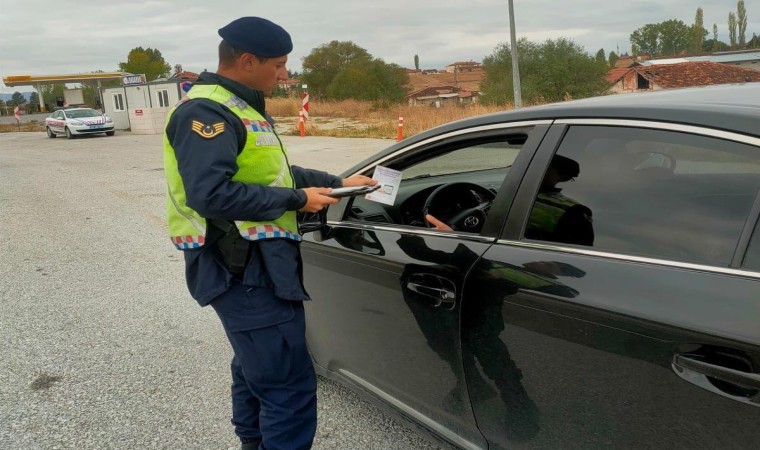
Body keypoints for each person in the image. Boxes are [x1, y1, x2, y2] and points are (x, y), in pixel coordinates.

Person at [162, 17, 375, 450]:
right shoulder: (207, 112)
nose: (284, 76)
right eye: (279, 66)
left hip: (259, 262)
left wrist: (341, 181)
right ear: (247, 60)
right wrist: (297, 201)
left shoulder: (239, 105)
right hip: (238, 265)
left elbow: (277, 175)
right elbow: (211, 194)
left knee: (255, 369)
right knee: (287, 385)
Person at [426, 154, 594, 246]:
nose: (525, 169)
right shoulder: (522, 194)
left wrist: (454, 239)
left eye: (543, 166)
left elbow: (566, 264)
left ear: (562, 176)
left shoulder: (574, 213)